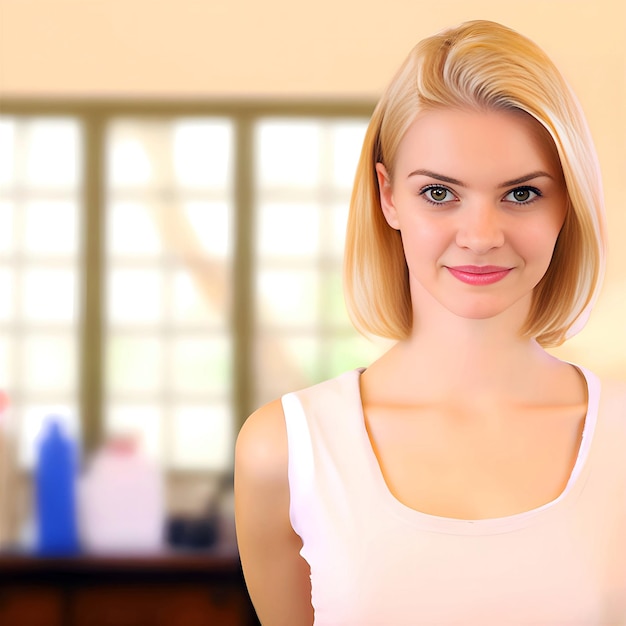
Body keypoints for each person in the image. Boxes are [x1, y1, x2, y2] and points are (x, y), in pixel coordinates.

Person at [234, 19, 626, 625]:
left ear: (567, 202)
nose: (480, 237)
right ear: (388, 196)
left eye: (521, 194)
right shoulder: (284, 449)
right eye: (440, 193)